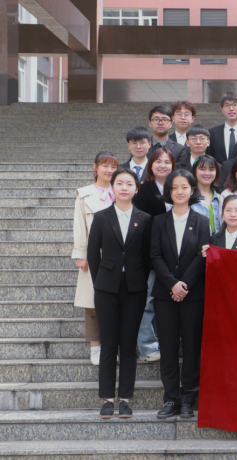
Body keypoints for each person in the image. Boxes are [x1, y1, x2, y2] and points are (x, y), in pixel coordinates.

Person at [87, 168, 152, 419]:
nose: (124, 187)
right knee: (108, 344)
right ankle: (107, 399)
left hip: (134, 288)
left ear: (136, 188)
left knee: (128, 344)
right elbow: (93, 254)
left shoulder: (144, 218)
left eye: (129, 183)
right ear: (112, 187)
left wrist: (138, 279)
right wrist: (100, 282)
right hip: (106, 288)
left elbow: (146, 256)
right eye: (120, 183)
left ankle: (125, 399)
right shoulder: (101, 217)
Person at [150, 169, 210, 419]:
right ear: (169, 191)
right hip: (165, 295)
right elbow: (155, 256)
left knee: (193, 347)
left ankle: (188, 399)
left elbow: (202, 256)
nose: (179, 191)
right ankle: (171, 398)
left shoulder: (202, 221)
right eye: (174, 187)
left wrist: (183, 285)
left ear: (192, 190)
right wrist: (172, 284)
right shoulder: (158, 221)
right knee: (168, 347)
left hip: (192, 295)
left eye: (184, 187)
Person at [72, 152, 119, 366]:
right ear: (95, 167)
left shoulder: (121, 190)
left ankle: (112, 346)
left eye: (113, 167)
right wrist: (81, 255)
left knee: (116, 303)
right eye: (105, 166)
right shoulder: (84, 195)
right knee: (92, 304)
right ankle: (95, 347)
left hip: (117, 256)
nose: (109, 170)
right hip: (94, 255)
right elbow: (79, 225)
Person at [132, 147, 175, 363]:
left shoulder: (179, 187)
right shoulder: (143, 191)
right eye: (158, 161)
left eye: (167, 162)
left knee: (167, 303)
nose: (163, 165)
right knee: (148, 302)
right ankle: (147, 346)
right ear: (150, 165)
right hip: (150, 256)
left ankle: (165, 343)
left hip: (175, 257)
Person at [208, 92, 237, 165]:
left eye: (235, 105)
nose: (231, 109)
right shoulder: (212, 133)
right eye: (227, 105)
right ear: (222, 109)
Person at [190, 155, 222, 234]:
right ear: (195, 171)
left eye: (211, 169)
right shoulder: (188, 198)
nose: (207, 173)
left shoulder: (221, 198)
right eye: (202, 169)